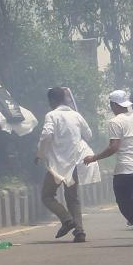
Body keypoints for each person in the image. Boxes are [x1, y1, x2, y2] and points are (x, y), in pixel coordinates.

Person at [84, 90, 133, 246]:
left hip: (125, 169)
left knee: (125, 206)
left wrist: (94, 158)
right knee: (130, 200)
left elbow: (113, 147)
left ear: (114, 105)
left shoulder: (115, 122)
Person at [35, 87, 95, 242]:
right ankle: (80, 231)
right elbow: (88, 134)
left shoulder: (52, 115)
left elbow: (47, 135)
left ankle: (67, 219)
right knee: (73, 198)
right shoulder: (76, 115)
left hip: (56, 164)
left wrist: (40, 154)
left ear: (53, 101)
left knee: (47, 196)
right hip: (73, 162)